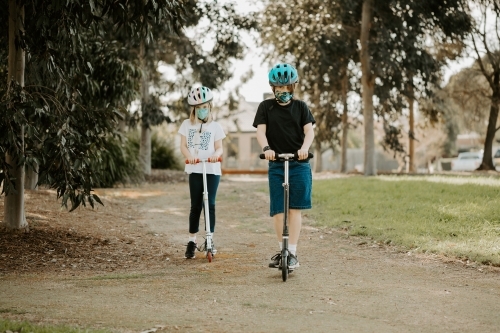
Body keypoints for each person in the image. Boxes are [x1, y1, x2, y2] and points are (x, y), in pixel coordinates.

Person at [252, 63, 315, 270]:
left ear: (292, 88)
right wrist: (267, 148)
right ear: (273, 89)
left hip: (299, 164)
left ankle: (293, 254)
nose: (283, 93)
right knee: (279, 211)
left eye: (286, 89)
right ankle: (282, 251)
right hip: (277, 164)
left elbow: (309, 132)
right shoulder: (265, 107)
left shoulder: (301, 107)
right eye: (278, 89)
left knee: (295, 210)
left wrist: (304, 148)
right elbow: (260, 132)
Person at [178, 86, 226, 259]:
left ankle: (210, 240)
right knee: (195, 206)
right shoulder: (186, 125)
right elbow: (183, 145)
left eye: (205, 107)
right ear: (194, 109)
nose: (202, 110)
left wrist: (215, 155)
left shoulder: (216, 126)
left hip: (211, 170)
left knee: (210, 204)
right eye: (199, 108)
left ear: (210, 107)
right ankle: (192, 241)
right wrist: (189, 156)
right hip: (195, 169)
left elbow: (220, 148)